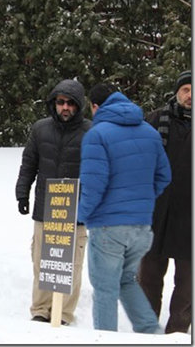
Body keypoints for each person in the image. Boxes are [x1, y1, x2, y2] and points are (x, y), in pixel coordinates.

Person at [78, 83, 171, 333]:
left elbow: (94, 184)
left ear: (95, 106)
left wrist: (80, 216)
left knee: (106, 289)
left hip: (109, 228)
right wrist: (142, 202)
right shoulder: (150, 133)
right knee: (126, 281)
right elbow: (164, 175)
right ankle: (151, 332)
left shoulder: (97, 135)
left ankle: (104, 339)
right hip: (142, 227)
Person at [15, 79, 91, 325]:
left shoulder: (91, 132)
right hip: (45, 208)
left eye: (70, 103)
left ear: (79, 106)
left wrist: (91, 205)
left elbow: (96, 172)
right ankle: (40, 309)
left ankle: (65, 314)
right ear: (53, 104)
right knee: (42, 261)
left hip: (76, 212)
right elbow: (29, 164)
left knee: (72, 265)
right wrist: (22, 193)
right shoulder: (40, 129)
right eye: (60, 102)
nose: (65, 107)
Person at [139, 70, 192, 334]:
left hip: (190, 218)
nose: (190, 95)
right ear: (177, 92)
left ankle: (177, 335)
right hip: (156, 213)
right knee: (148, 278)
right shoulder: (155, 119)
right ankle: (147, 332)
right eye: (186, 89)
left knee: (187, 285)